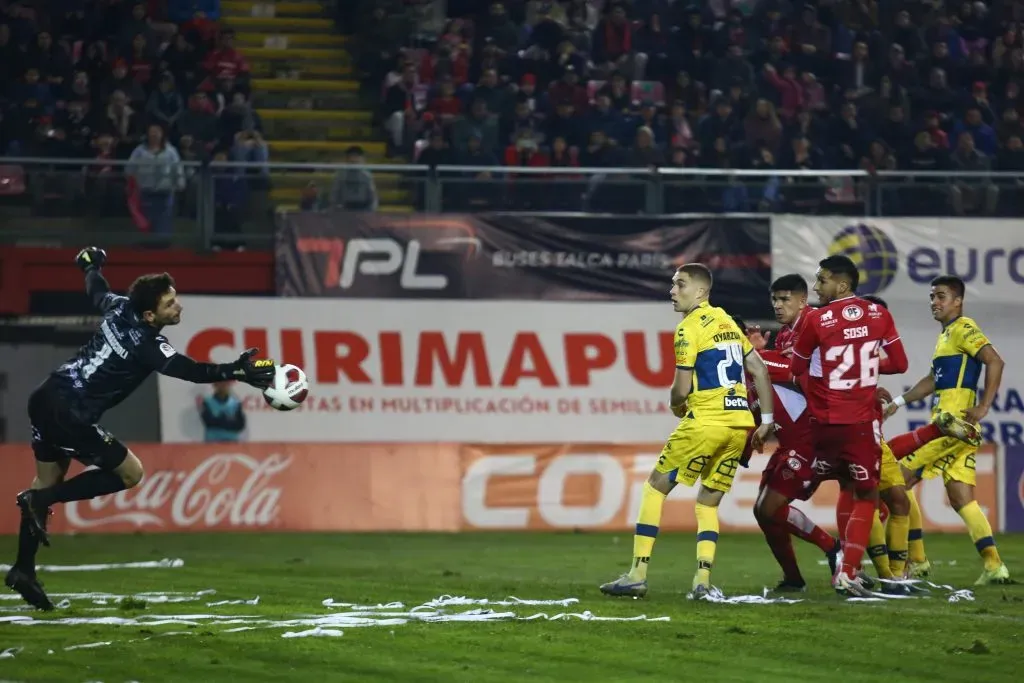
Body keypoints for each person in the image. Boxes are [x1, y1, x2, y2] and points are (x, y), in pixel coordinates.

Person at [5, 248, 276, 611]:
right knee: (130, 472)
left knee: (45, 483)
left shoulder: (118, 307)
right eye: (170, 304)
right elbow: (191, 370)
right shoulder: (149, 344)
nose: (178, 307)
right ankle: (41, 505)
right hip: (71, 413)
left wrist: (90, 265)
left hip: (45, 397)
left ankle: (23, 569)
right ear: (150, 315)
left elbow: (96, 290)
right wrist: (238, 370)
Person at [600, 263, 776, 599]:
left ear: (700, 291)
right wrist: (766, 421)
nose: (672, 290)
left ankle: (637, 573)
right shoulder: (726, 321)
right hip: (739, 427)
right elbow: (760, 372)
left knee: (654, 488)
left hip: (706, 422)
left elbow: (680, 391)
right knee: (708, 504)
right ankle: (702, 581)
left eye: (680, 284)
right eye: (672, 284)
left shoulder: (688, 328)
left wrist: (676, 406)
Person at [791, 255, 909, 597]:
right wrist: (866, 367)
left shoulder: (814, 320)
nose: (816, 287)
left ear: (841, 285)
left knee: (799, 490)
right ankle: (847, 571)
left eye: (822, 280)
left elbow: (798, 368)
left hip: (824, 424)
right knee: (865, 495)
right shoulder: (879, 315)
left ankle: (832, 556)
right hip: (859, 425)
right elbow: (900, 364)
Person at [884, 275, 1012, 585]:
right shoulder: (946, 336)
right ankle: (994, 566)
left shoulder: (964, 327)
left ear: (958, 301)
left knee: (896, 481)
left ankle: (915, 561)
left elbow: (995, 361)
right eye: (932, 296)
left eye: (941, 296)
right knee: (960, 497)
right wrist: (898, 402)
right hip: (956, 428)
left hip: (951, 425)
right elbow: (933, 380)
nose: (934, 302)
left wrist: (983, 407)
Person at [748, 275, 840, 592]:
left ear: (803, 300)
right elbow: (777, 382)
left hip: (816, 433)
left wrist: (752, 357)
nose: (777, 305)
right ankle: (794, 577)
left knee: (770, 507)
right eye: (774, 299)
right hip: (791, 438)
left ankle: (836, 549)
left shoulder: (814, 322)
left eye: (785, 299)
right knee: (763, 511)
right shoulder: (787, 334)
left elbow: (792, 371)